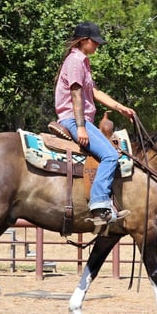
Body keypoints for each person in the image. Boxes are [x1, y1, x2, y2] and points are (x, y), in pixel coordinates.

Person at [54, 21, 136, 224]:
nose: (97, 46)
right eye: (95, 42)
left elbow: (95, 92)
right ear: (84, 41)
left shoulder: (83, 62)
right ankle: (99, 205)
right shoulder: (75, 61)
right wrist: (81, 126)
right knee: (110, 155)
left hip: (80, 119)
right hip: (74, 119)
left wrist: (120, 108)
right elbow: (75, 94)